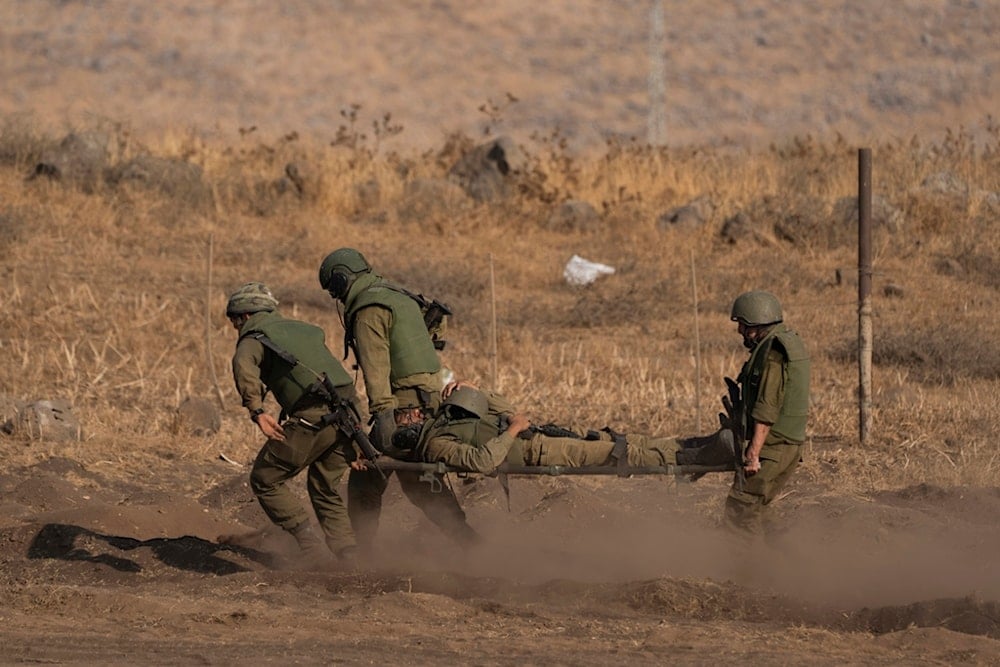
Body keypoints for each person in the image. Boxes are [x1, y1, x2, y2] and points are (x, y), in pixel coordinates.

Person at [318, 248, 479, 553]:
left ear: (341, 281)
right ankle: (469, 542)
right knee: (420, 478)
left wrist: (383, 419)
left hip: (405, 410)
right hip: (430, 401)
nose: (336, 298)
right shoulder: (399, 296)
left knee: (370, 478)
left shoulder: (368, 311)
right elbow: (427, 344)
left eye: (333, 290)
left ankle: (359, 553)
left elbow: (376, 371)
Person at [226, 281, 360, 565]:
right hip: (349, 416)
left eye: (235, 320)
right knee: (324, 486)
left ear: (246, 316)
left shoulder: (254, 337)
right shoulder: (304, 329)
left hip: (312, 417)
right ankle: (349, 554)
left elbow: (242, 364)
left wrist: (257, 411)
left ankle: (311, 547)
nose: (235, 327)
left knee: (265, 479)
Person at [390, 382, 736, 474]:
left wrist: (473, 390)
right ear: (406, 433)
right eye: (406, 417)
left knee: (617, 439)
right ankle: (702, 456)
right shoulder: (435, 445)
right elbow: (482, 461)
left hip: (537, 436)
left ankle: (697, 443)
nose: (413, 412)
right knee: (618, 454)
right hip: (534, 450)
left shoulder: (442, 419)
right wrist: (512, 432)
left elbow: (504, 408)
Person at [723, 290, 811, 534]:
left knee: (739, 514)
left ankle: (743, 571)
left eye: (742, 325)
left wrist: (753, 453)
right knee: (759, 513)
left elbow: (766, 407)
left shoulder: (772, 353)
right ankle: (782, 565)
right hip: (788, 445)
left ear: (755, 323)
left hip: (772, 448)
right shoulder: (788, 341)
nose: (740, 331)